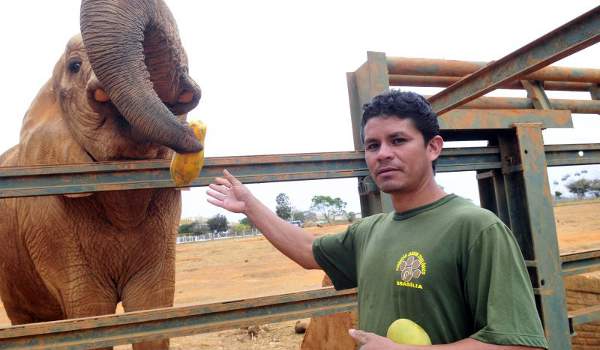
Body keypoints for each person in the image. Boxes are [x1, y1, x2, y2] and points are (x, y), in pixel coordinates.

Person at [207, 90, 548, 349]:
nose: (383, 153)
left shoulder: (476, 228)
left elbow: (518, 342)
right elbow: (308, 250)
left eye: (398, 140)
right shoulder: (370, 231)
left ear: (433, 147)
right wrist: (251, 205)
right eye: (373, 145)